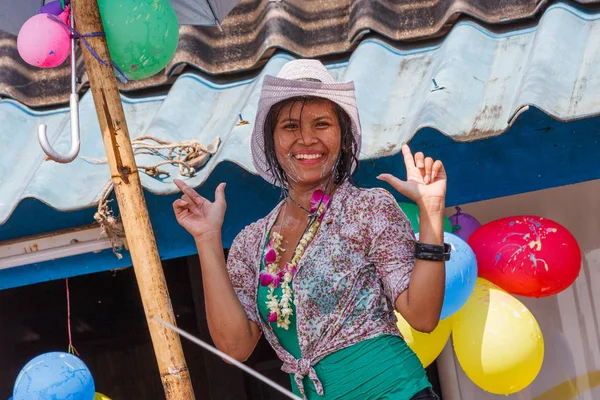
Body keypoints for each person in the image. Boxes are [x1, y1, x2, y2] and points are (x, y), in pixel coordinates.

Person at [173, 60, 448, 400]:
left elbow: (422, 316)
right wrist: (206, 239)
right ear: (272, 140)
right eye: (290, 126)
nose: (306, 138)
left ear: (343, 138)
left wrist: (432, 213)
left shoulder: (368, 209)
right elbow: (235, 347)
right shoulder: (250, 244)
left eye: (321, 123)